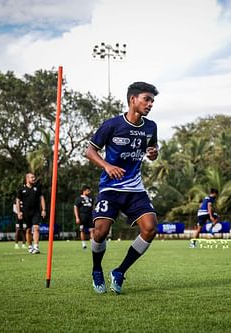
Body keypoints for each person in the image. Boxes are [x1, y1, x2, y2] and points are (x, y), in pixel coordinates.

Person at [85, 81, 159, 294]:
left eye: (152, 101)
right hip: (110, 188)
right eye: (147, 99)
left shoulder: (151, 126)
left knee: (150, 228)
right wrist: (107, 166)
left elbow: (152, 150)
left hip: (135, 189)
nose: (150, 104)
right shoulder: (112, 125)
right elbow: (90, 151)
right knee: (100, 232)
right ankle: (97, 269)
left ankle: (119, 271)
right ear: (132, 100)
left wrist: (153, 154)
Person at [15, 173, 46, 254]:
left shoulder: (37, 188)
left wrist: (43, 210)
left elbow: (42, 198)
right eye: (32, 177)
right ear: (27, 178)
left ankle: (36, 246)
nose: (33, 178)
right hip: (26, 213)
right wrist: (19, 212)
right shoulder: (21, 189)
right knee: (28, 230)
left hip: (36, 212)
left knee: (36, 228)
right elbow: (17, 201)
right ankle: (30, 246)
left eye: (34, 177)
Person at [74, 185, 94, 249]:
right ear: (84, 191)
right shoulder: (79, 199)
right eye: (88, 191)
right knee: (82, 230)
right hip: (82, 217)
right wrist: (77, 217)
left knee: (92, 230)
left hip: (90, 216)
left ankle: (93, 245)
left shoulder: (91, 199)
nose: (89, 192)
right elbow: (75, 208)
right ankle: (84, 244)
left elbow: (92, 207)